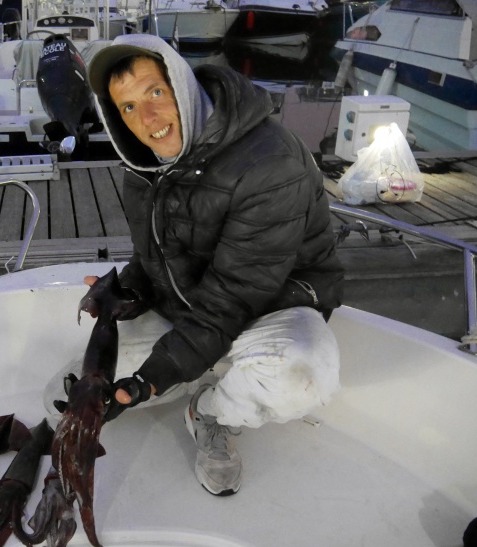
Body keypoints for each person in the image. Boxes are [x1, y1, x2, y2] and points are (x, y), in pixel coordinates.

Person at [80, 34, 345, 496]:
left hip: (271, 307)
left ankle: (209, 408)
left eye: (155, 93)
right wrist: (128, 289)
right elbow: (158, 251)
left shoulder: (270, 162)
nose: (147, 119)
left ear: (184, 86)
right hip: (195, 309)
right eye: (127, 108)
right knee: (75, 393)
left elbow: (234, 298)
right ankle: (195, 368)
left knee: (300, 379)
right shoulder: (147, 165)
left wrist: (150, 380)